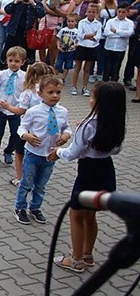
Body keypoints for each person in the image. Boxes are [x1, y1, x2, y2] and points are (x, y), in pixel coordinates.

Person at [49, 82, 125, 272]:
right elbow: (116, 150)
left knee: (76, 215)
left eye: (92, 97)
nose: (90, 100)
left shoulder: (88, 125)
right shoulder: (117, 124)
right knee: (91, 216)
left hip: (88, 172)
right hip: (106, 170)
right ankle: (88, 254)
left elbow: (73, 153)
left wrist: (58, 152)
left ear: (100, 103)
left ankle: (75, 259)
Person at [13, 76, 71, 225]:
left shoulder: (63, 111)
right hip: (33, 153)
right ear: (40, 94)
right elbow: (22, 126)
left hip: (50, 155)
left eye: (58, 92)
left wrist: (66, 135)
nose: (54, 96)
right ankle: (20, 207)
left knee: (41, 185)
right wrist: (27, 136)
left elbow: (66, 127)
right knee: (26, 182)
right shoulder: (33, 111)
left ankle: (35, 207)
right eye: (50, 92)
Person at [0, 62, 54, 186]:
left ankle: (21, 177)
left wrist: (8, 107)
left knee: (19, 152)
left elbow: (20, 111)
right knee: (39, 152)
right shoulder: (48, 92)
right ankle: (38, 178)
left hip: (27, 128)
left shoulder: (29, 92)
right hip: (42, 127)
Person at [0, 46, 27, 168]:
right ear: (6, 60)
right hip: (1, 109)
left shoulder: (25, 77)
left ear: (22, 62)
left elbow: (26, 93)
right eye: (10, 61)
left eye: (17, 61)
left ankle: (9, 151)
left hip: (15, 110)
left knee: (16, 134)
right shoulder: (0, 75)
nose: (13, 64)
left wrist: (21, 107)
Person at [70, 4, 102, 97]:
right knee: (77, 68)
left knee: (87, 69)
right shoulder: (82, 22)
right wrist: (91, 35)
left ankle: (85, 87)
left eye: (93, 12)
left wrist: (88, 36)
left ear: (96, 13)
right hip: (81, 46)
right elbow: (80, 35)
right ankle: (74, 87)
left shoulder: (98, 24)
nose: (91, 14)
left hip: (92, 48)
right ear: (86, 12)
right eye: (89, 12)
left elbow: (98, 37)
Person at [102, 5, 134, 82]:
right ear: (117, 11)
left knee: (116, 67)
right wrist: (121, 34)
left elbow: (129, 33)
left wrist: (116, 31)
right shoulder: (111, 21)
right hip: (109, 46)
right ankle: (105, 83)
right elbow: (106, 33)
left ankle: (114, 83)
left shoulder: (129, 23)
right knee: (107, 67)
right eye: (119, 12)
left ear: (127, 12)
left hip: (120, 48)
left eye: (123, 12)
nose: (121, 14)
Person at [55, 14, 80, 83]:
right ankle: (55, 77)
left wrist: (75, 45)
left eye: (72, 21)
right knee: (58, 64)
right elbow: (58, 39)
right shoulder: (63, 30)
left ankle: (63, 78)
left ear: (76, 22)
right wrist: (58, 46)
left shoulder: (77, 31)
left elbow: (78, 41)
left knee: (68, 65)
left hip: (71, 51)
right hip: (62, 50)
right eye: (69, 21)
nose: (70, 23)